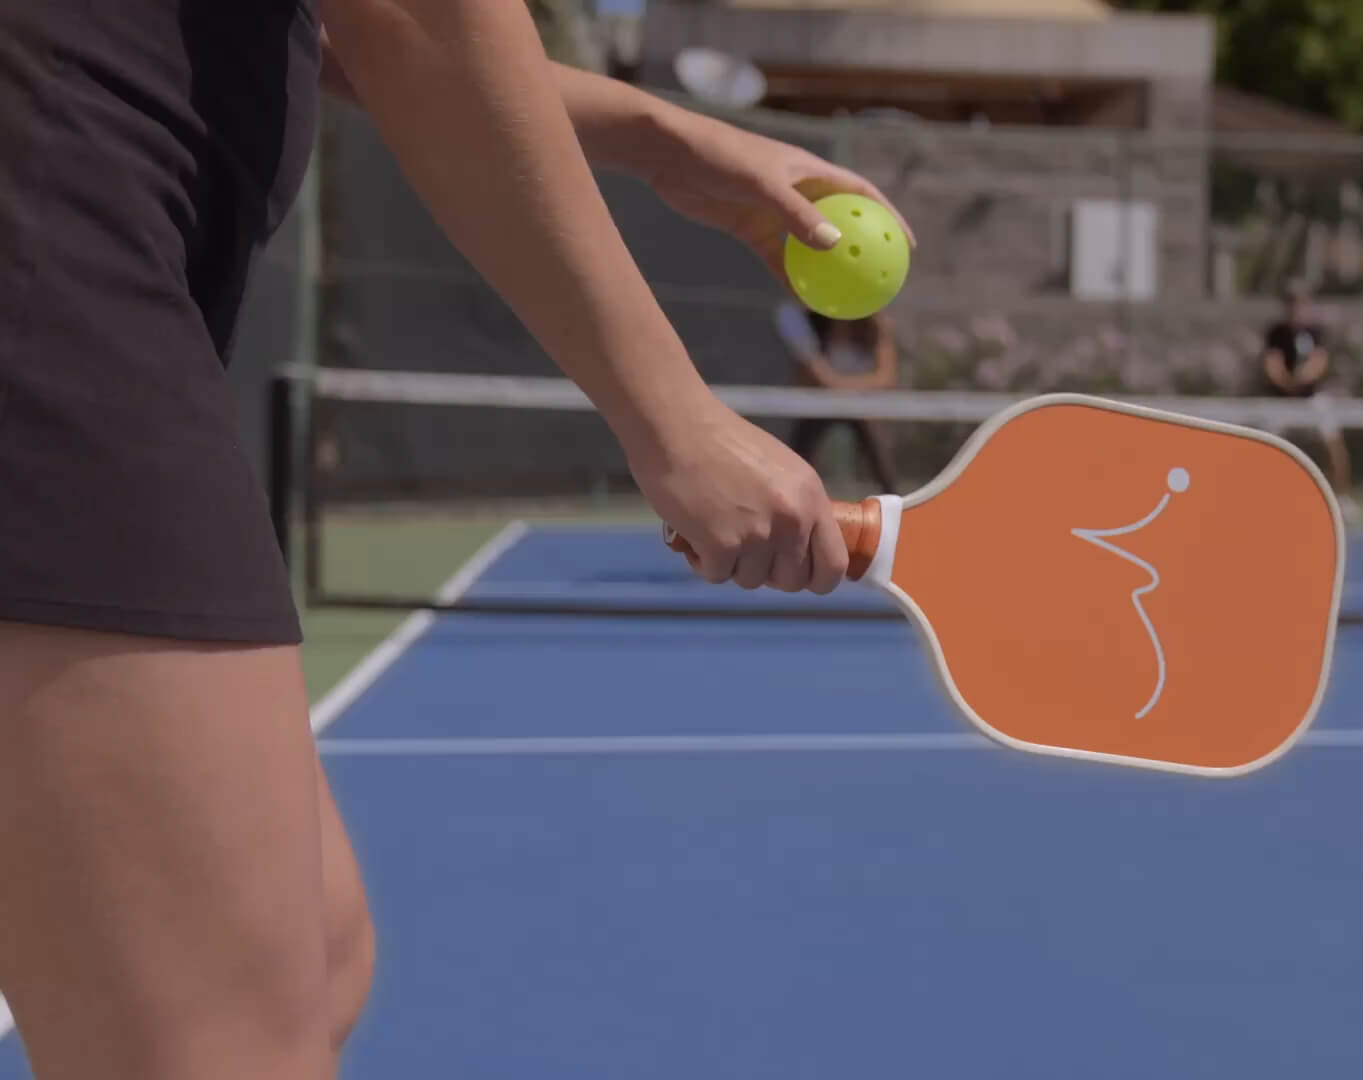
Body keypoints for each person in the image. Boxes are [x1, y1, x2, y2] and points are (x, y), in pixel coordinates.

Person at [0, 1, 911, 1077]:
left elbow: (330, 34)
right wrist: (675, 417)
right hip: (52, 253)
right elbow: (419, 15)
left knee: (316, 950)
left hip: (83, 244)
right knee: (225, 1040)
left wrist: (663, 138)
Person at [772, 302, 902, 495]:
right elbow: (814, 374)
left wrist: (843, 389)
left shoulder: (874, 329)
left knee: (880, 456)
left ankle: (894, 498)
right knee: (798, 456)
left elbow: (885, 377)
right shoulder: (810, 324)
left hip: (861, 407)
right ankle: (788, 497)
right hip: (819, 405)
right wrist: (841, 388)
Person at [1260, 286, 1357, 518]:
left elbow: (1319, 362)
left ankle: (1343, 498)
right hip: (1281, 401)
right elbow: (1272, 364)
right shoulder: (1276, 333)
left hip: (1312, 400)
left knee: (1333, 443)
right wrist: (1287, 382)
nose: (1296, 309)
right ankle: (1261, 498)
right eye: (1292, 304)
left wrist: (1302, 378)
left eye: (1301, 304)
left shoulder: (1315, 332)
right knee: (1264, 446)